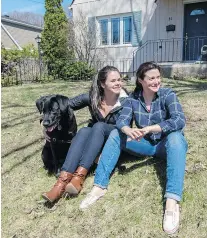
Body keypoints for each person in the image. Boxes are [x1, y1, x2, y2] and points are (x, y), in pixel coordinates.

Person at [80, 62, 188, 235]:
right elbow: (122, 120)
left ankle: (171, 202)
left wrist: (154, 128)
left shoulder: (168, 94)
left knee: (176, 137)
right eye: (151, 78)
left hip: (167, 145)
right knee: (116, 133)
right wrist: (127, 129)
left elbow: (179, 120)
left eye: (158, 77)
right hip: (145, 145)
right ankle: (99, 186)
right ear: (140, 80)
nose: (156, 81)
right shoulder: (132, 99)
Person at [42, 66, 128, 203]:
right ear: (102, 84)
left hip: (115, 139)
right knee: (84, 131)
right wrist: (47, 125)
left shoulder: (126, 101)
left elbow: (127, 127)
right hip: (95, 139)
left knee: (98, 126)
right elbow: (64, 106)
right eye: (113, 81)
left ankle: (79, 177)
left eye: (119, 80)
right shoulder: (92, 97)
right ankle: (61, 183)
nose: (118, 83)